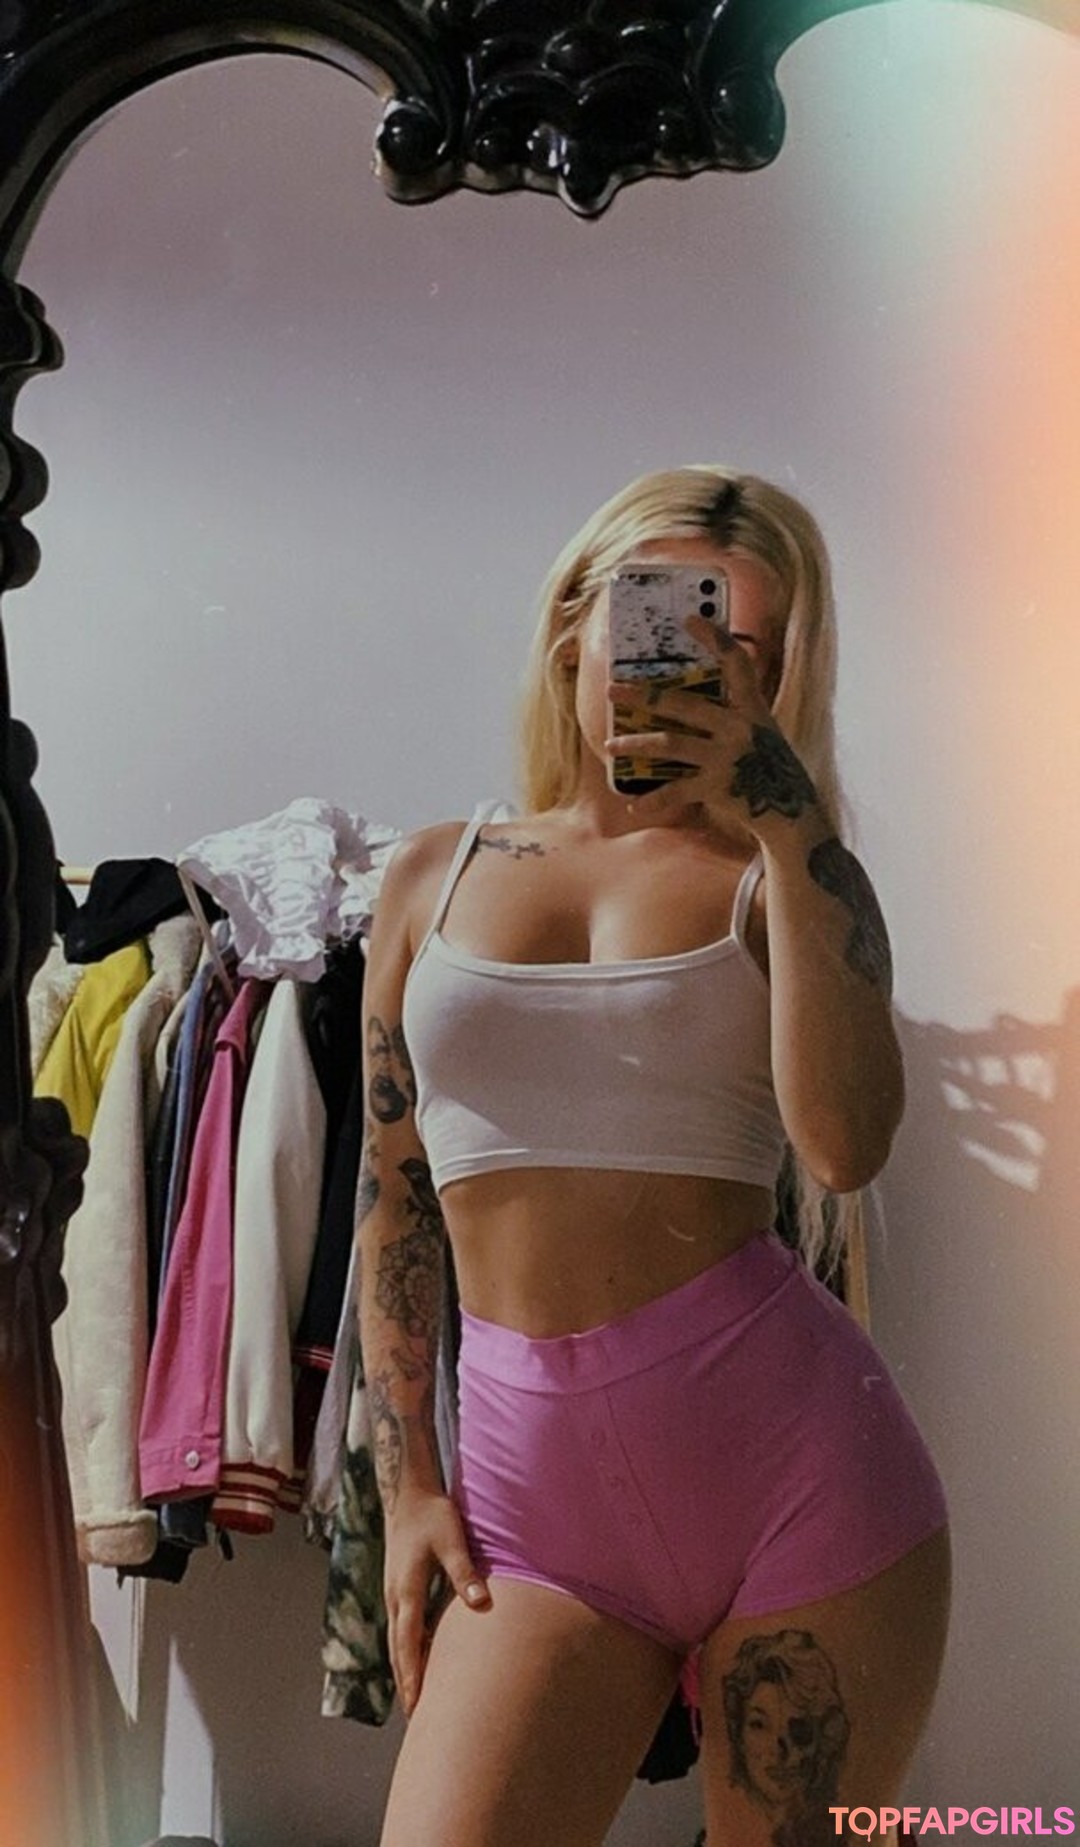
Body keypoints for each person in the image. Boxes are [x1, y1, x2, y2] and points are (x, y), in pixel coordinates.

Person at [357, 466, 951, 1847]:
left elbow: (846, 1148)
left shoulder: (785, 879)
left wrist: (788, 817)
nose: (698, 667)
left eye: (745, 648)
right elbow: (394, 1204)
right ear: (578, 624)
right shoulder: (432, 875)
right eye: (668, 622)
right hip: (533, 1522)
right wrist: (407, 1488)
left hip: (803, 1480)